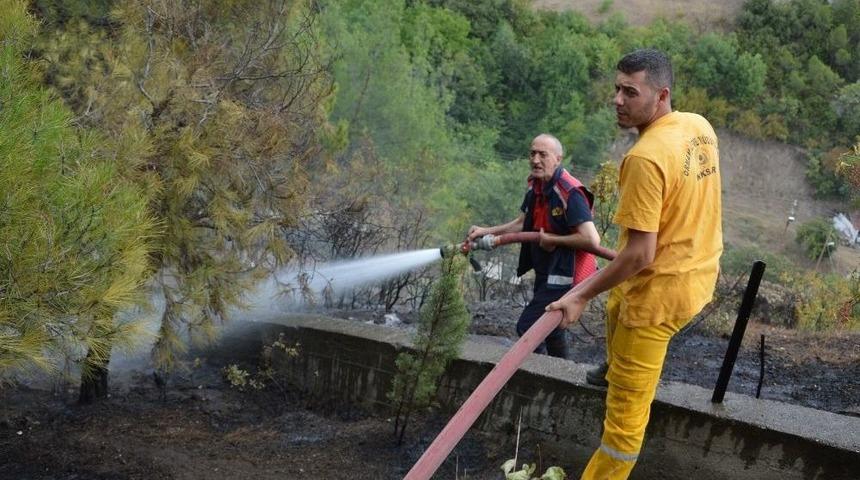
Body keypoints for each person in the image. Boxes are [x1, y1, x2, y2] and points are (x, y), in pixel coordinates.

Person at [546, 49, 723, 479]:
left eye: (630, 92)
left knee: (623, 429)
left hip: (657, 299)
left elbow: (640, 255)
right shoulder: (697, 126)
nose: (617, 100)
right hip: (699, 271)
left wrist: (578, 294)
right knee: (616, 303)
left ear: (661, 96)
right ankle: (614, 368)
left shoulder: (645, 158)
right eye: (616, 89)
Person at [468, 134, 602, 359]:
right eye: (532, 154)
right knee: (552, 331)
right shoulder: (535, 186)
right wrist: (487, 231)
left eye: (543, 155)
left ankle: (538, 371)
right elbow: (522, 223)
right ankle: (562, 373)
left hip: (567, 274)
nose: (536, 160)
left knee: (529, 326)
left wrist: (553, 240)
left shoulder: (569, 192)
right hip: (546, 270)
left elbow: (591, 240)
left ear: (558, 159)